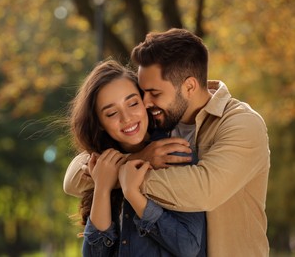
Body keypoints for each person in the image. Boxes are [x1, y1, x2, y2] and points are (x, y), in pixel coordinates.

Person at [64, 28, 270, 257]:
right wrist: (137, 159)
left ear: (189, 86)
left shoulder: (241, 123)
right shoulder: (161, 121)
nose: (145, 102)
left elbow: (205, 189)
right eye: (142, 93)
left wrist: (123, 177)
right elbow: (74, 178)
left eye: (154, 92)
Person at [67, 59, 206, 256]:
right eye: (112, 113)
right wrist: (103, 189)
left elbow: (189, 246)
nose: (127, 118)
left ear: (145, 102)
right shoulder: (103, 167)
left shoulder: (174, 154)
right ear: (99, 123)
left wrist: (133, 194)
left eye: (133, 103)